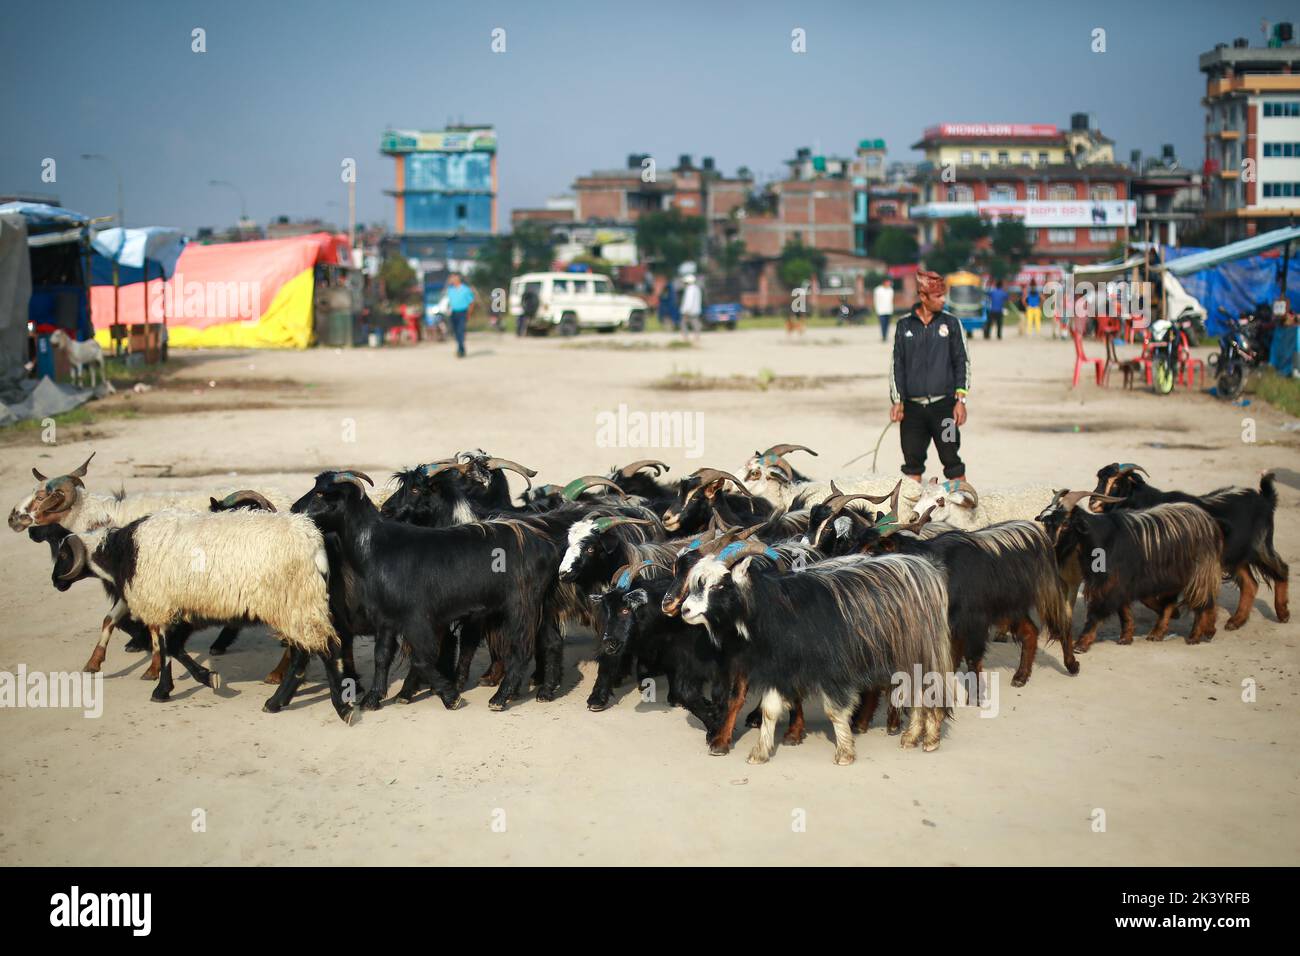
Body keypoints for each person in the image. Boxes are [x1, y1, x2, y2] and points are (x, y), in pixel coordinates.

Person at [889, 270, 970, 484]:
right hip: (912, 412)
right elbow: (897, 366)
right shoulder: (904, 325)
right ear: (923, 297)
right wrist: (897, 401)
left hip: (944, 409)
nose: (943, 300)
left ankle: (964, 513)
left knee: (952, 462)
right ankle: (912, 516)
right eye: (938, 296)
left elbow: (962, 362)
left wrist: (960, 401)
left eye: (944, 295)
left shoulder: (952, 324)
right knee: (911, 466)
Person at [444, 272, 475, 358]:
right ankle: (461, 346)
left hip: (463, 312)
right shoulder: (450, 290)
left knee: (461, 330)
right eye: (451, 278)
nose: (452, 280)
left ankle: (460, 349)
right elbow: (446, 299)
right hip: (453, 312)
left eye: (453, 278)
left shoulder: (466, 290)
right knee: (455, 331)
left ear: (458, 279)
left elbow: (471, 302)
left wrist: (469, 313)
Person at [680, 274, 702, 342]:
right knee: (695, 322)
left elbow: (689, 301)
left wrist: (686, 310)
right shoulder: (696, 288)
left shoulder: (690, 289)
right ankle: (697, 336)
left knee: (683, 323)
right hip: (695, 310)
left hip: (689, 310)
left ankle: (686, 337)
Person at [873, 276, 895, 342]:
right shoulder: (878, 290)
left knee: (887, 324)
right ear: (884, 282)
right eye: (888, 282)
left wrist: (892, 309)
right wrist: (876, 310)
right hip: (881, 310)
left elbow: (891, 301)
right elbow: (876, 301)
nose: (889, 283)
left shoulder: (891, 290)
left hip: (889, 310)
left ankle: (886, 336)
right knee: (883, 324)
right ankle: (883, 336)